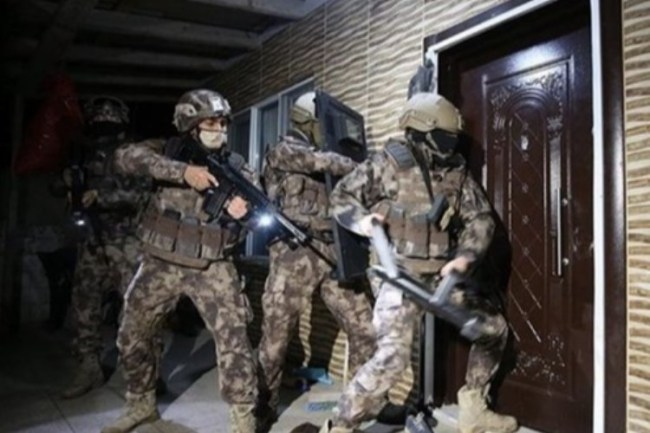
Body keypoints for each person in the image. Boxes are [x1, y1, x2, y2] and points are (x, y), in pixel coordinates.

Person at [318, 93, 518, 433]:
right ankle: (339, 425)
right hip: (398, 276)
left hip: (442, 279)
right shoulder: (389, 164)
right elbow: (342, 196)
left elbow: (481, 218)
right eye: (444, 136)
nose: (451, 144)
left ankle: (473, 408)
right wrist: (363, 221)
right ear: (420, 131)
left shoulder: (456, 172)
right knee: (391, 359)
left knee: (494, 330)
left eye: (453, 138)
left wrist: (465, 256)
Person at [101, 89, 258, 433]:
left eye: (223, 124)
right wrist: (183, 172)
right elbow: (125, 158)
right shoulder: (166, 150)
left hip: (212, 265)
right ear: (190, 125)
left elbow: (254, 219)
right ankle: (141, 403)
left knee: (234, 340)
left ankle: (243, 417)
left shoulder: (237, 168)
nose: (220, 130)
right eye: (212, 123)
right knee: (131, 333)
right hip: (161, 261)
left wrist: (242, 214)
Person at [256, 91, 376, 431]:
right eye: (323, 124)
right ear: (307, 122)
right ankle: (260, 408)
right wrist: (362, 166)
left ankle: (355, 411)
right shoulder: (285, 150)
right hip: (294, 254)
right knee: (275, 339)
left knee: (365, 329)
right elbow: (321, 162)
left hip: (333, 252)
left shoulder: (328, 156)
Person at [62, 96, 152, 399]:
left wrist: (100, 197)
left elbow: (140, 195)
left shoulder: (132, 154)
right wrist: (69, 186)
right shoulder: (85, 153)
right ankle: (89, 367)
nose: (103, 123)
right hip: (92, 240)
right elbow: (63, 186)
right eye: (99, 119)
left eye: (108, 118)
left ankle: (142, 372)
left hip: (126, 242)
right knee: (85, 306)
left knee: (136, 310)